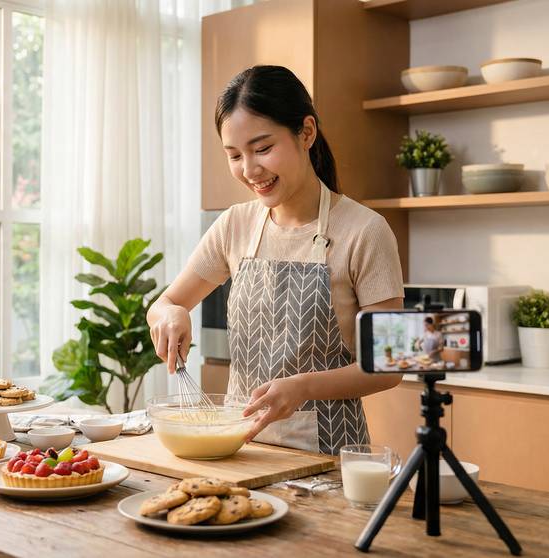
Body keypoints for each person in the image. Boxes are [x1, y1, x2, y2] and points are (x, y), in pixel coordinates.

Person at [146, 65, 405, 455]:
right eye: (235, 155)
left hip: (327, 457)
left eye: (263, 149)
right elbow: (164, 304)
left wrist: (303, 388)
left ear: (306, 133)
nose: (250, 170)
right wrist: (170, 315)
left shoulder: (365, 231)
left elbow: (390, 365)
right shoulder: (235, 224)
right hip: (240, 449)